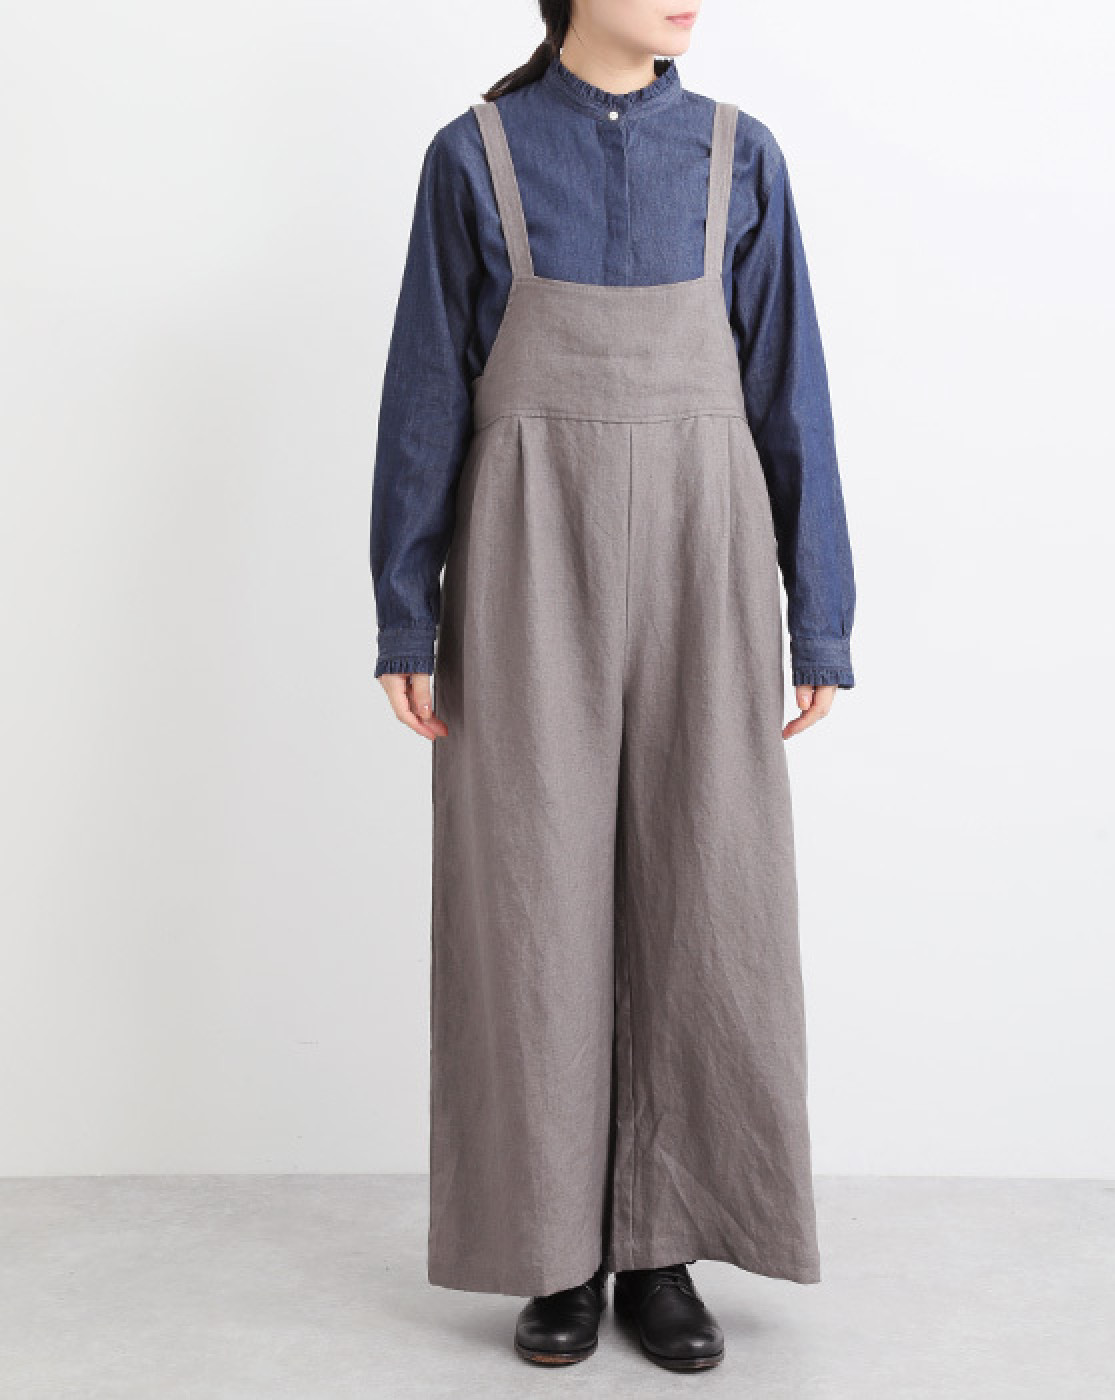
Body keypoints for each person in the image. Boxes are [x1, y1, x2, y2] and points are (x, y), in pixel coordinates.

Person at [368, 0, 856, 1373]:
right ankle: (553, 1250)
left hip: (707, 550)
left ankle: (663, 1246)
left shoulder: (739, 156)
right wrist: (406, 611)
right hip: (527, 551)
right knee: (532, 895)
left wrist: (819, 616)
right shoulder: (475, 155)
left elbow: (792, 390)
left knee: (708, 889)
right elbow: (424, 390)